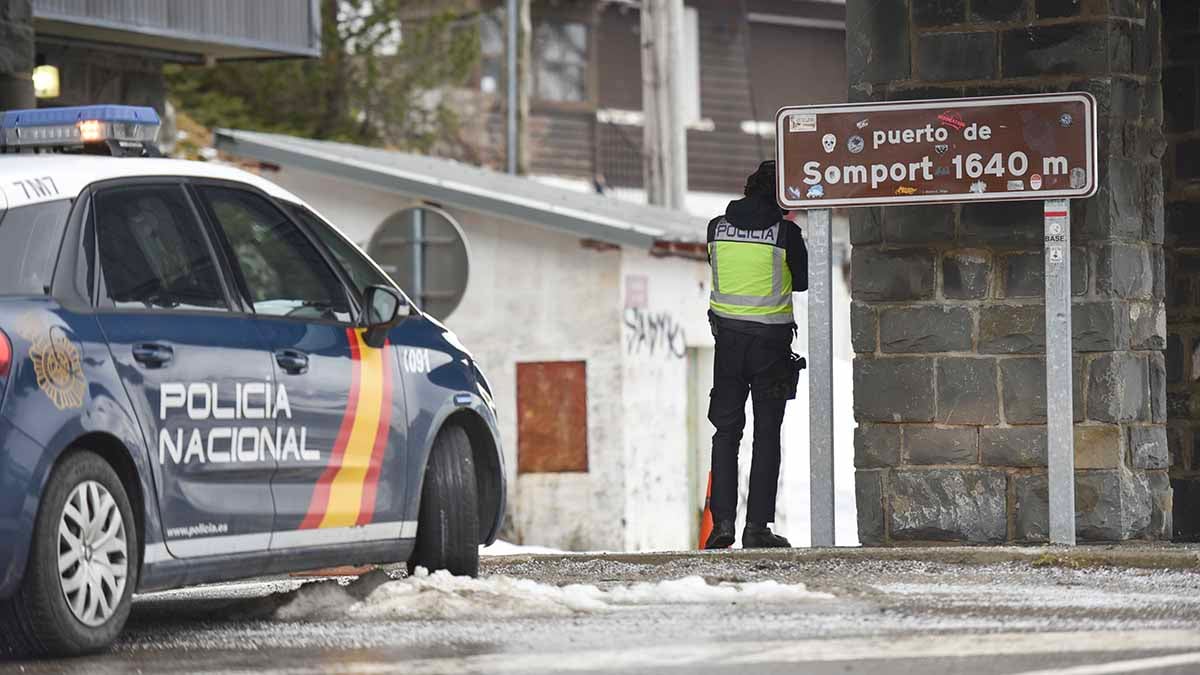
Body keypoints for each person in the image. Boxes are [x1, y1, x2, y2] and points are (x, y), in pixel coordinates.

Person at [704, 160, 807, 550]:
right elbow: (803, 281)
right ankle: (757, 528)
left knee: (725, 433)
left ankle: (722, 525)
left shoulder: (717, 228)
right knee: (766, 435)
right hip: (771, 347)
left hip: (727, 344)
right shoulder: (785, 233)